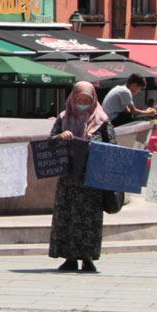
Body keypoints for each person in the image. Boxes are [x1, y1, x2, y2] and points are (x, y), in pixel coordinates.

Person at [48, 81, 117, 274]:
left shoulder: (102, 121)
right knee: (68, 218)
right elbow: (49, 145)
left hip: (91, 182)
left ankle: (87, 258)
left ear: (93, 100)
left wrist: (94, 143)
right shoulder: (63, 119)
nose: (82, 103)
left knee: (89, 221)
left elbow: (112, 147)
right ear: (72, 99)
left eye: (86, 100)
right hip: (69, 181)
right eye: (79, 99)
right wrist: (61, 137)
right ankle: (69, 258)